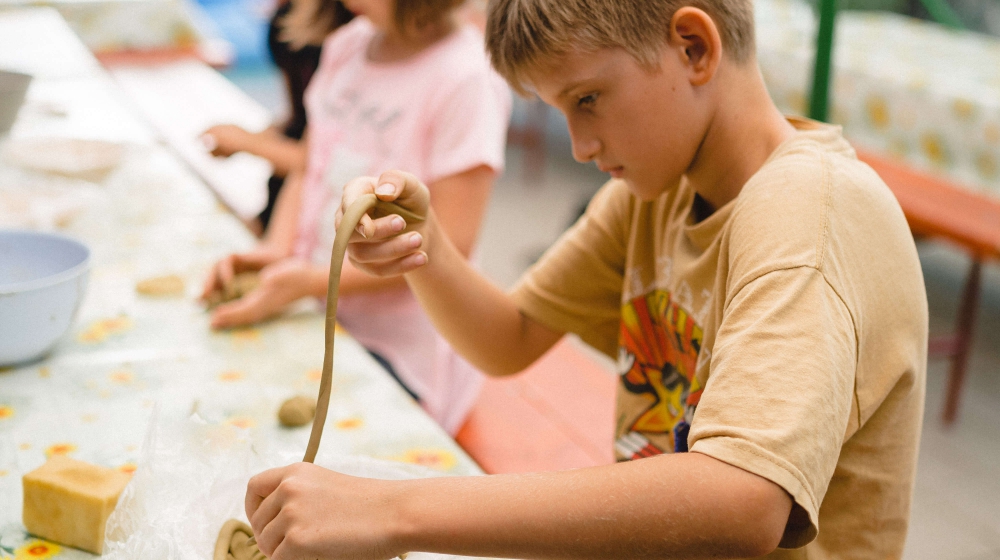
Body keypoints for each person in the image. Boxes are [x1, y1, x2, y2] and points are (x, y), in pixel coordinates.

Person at [243, 0, 929, 558]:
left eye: (588, 99)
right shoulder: (652, 194)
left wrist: (390, 508)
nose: (580, 145)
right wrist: (426, 245)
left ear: (693, 47)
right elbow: (506, 340)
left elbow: (742, 499)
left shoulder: (809, 216)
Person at [202, 0, 511, 434]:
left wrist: (311, 281)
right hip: (318, 306)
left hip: (402, 348)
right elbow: (313, 166)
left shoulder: (466, 79)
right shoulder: (347, 44)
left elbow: (450, 245)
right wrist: (276, 248)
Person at [202, 0, 354, 232]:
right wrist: (248, 138)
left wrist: (245, 142)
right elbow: (298, 118)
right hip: (284, 199)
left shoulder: (352, 34)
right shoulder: (283, 21)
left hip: (321, 212)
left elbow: (320, 159)